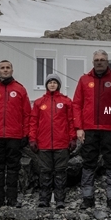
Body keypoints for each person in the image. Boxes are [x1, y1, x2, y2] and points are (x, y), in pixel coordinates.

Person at [73, 50, 111, 210]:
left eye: (102, 59)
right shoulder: (84, 80)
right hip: (89, 129)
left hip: (110, 129)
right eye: (97, 60)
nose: (100, 62)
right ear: (92, 62)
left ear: (107, 61)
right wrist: (79, 127)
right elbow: (77, 104)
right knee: (88, 163)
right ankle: (87, 197)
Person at [0, 60, 31, 208]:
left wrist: (25, 134)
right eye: (2, 68)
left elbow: (27, 114)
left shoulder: (20, 90)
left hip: (14, 136)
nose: (5, 70)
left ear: (12, 70)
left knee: (13, 169)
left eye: (8, 67)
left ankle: (12, 199)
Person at [29, 73, 76, 209]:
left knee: (61, 172)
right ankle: (44, 199)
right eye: (50, 82)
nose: (52, 84)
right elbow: (33, 122)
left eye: (55, 82)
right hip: (43, 144)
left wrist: (72, 138)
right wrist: (32, 139)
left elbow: (71, 121)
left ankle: (60, 200)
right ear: (46, 85)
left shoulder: (66, 102)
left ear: (59, 85)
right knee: (45, 172)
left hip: (62, 143)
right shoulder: (39, 103)